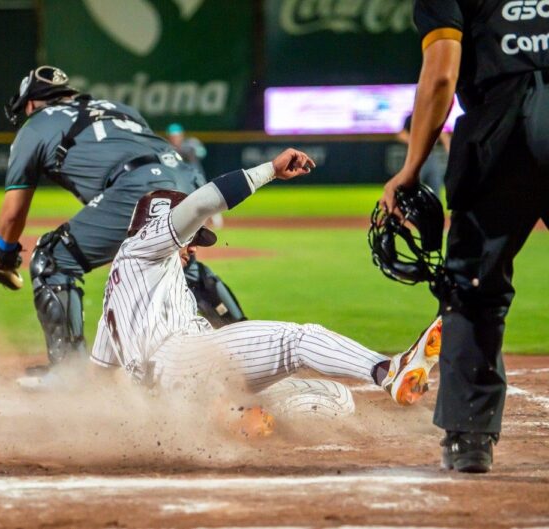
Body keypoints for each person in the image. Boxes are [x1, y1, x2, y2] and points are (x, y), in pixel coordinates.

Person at [91, 148, 442, 414]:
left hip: (178, 395)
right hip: (183, 359)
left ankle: (233, 419)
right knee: (297, 340)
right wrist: (269, 171)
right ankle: (389, 371)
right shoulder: (145, 244)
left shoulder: (117, 292)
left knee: (337, 398)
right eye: (190, 239)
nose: (192, 248)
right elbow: (200, 204)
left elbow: (101, 373)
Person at [0, 66, 247, 381]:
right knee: (175, 265)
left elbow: (13, 215)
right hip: (186, 178)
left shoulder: (36, 126)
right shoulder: (117, 108)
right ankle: (247, 353)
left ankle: (69, 377)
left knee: (53, 259)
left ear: (30, 104)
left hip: (135, 185)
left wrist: (4, 251)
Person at [380, 1, 548, 473]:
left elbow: (440, 76)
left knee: (475, 286)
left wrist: (410, 171)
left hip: (502, 123)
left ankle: (470, 437)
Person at [396, 113, 450, 197]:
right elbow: (401, 134)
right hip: (414, 156)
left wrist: (448, 148)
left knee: (435, 186)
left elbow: (442, 134)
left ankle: (434, 208)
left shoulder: (434, 116)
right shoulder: (412, 117)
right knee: (412, 187)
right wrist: (417, 142)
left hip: (431, 156)